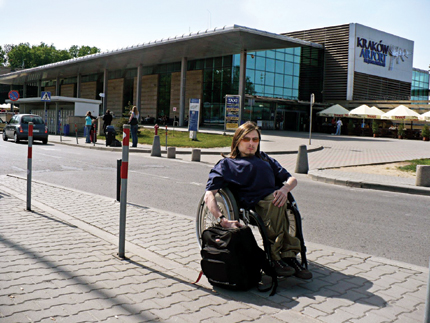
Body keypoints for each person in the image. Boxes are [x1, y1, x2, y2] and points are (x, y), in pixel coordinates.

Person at [204, 121, 312, 279]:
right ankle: (276, 258)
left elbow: (292, 179)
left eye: (255, 140)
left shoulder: (265, 159)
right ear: (237, 141)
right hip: (253, 202)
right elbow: (209, 195)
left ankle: (288, 256)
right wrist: (222, 219)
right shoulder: (227, 164)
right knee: (276, 202)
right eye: (246, 139)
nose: (251, 143)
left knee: (284, 201)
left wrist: (284, 189)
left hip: (275, 198)